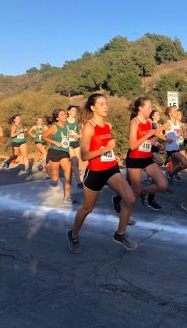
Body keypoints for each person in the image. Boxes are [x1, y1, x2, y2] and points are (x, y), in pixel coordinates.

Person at [67, 93, 138, 254]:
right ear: (92, 108)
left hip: (111, 168)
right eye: (101, 104)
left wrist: (112, 154)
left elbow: (106, 148)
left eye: (106, 103)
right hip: (95, 172)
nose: (106, 106)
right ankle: (74, 234)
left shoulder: (108, 125)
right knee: (87, 209)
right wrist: (106, 149)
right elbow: (84, 155)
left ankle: (120, 234)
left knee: (130, 199)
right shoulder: (89, 126)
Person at [127, 97, 169, 210]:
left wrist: (155, 144)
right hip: (135, 159)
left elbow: (147, 141)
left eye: (151, 107)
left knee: (163, 184)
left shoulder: (149, 122)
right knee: (134, 191)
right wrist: (147, 135)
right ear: (140, 108)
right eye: (148, 107)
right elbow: (132, 145)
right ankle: (125, 215)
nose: (151, 110)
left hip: (147, 158)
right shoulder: (134, 122)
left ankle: (144, 193)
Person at [42, 109, 74, 204]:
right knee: (55, 179)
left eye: (65, 114)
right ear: (57, 118)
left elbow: (65, 138)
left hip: (64, 152)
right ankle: (47, 167)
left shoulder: (66, 127)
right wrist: (55, 142)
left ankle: (67, 196)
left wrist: (73, 137)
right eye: (62, 115)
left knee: (68, 173)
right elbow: (44, 137)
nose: (65, 116)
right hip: (54, 152)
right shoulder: (54, 126)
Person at [164, 106, 187, 183]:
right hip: (172, 149)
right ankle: (170, 174)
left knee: (176, 165)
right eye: (175, 112)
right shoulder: (168, 123)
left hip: (177, 146)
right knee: (186, 164)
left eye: (177, 111)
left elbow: (184, 137)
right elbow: (157, 132)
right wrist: (166, 139)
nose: (177, 113)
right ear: (170, 113)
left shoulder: (179, 124)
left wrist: (184, 131)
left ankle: (170, 177)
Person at [67, 105, 83, 188]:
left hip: (76, 142)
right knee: (74, 161)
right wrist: (68, 135)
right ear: (68, 111)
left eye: (75, 111)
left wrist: (78, 136)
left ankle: (74, 172)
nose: (75, 112)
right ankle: (79, 181)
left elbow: (81, 132)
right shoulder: (65, 121)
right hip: (68, 143)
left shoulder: (77, 121)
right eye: (73, 110)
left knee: (77, 160)